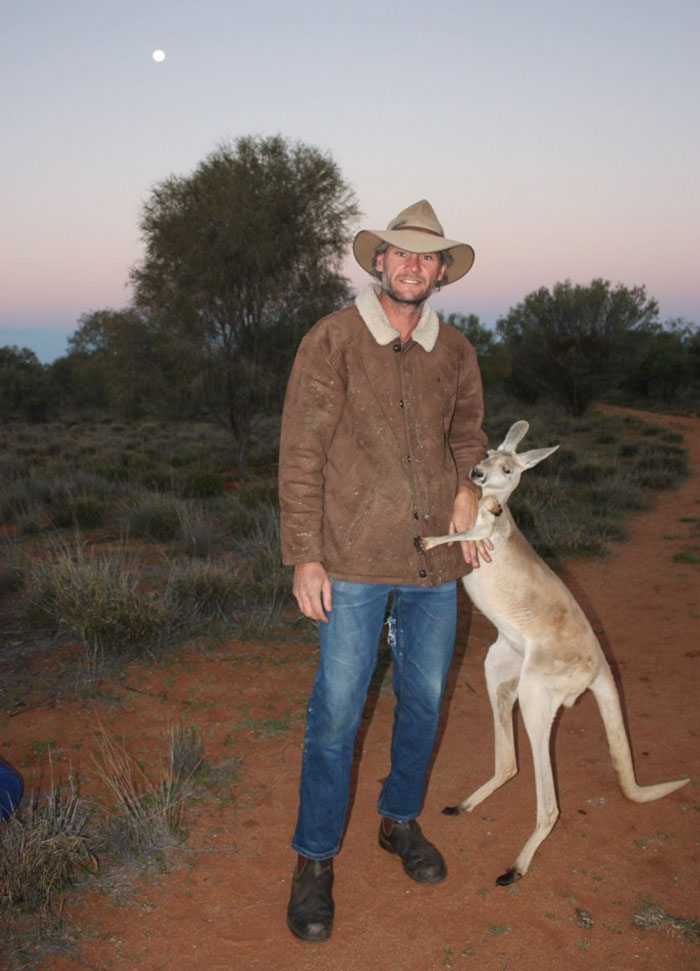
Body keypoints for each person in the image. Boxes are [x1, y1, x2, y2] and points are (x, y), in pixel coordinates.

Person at [278, 199, 489, 942]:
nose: (413, 265)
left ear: (439, 271)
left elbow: (468, 433)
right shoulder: (332, 340)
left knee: (424, 700)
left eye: (427, 256)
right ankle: (313, 858)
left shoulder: (456, 351)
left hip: (434, 558)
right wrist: (305, 551)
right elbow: (302, 450)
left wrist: (468, 482)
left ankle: (398, 819)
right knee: (336, 713)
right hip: (353, 557)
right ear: (378, 262)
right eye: (401, 252)